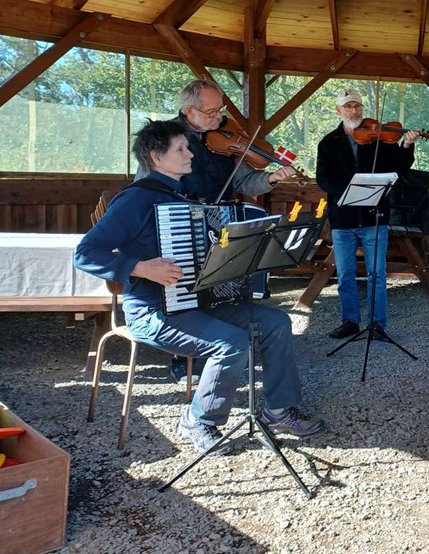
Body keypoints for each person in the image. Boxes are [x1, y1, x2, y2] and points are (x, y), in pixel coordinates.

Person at [75, 120, 324, 455]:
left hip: (198, 303)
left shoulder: (187, 199)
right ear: (155, 157)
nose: (190, 153)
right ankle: (198, 419)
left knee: (276, 322)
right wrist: (140, 267)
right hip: (153, 311)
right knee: (232, 343)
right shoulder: (135, 200)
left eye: (187, 146)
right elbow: (85, 253)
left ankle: (279, 410)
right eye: (181, 148)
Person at [160, 79, 297, 385]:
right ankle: (183, 355)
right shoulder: (165, 136)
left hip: (219, 218)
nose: (219, 118)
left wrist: (272, 177)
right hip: (181, 219)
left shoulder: (225, 138)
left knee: (221, 284)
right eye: (210, 112)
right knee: (186, 288)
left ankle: (222, 349)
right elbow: (152, 183)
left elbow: (246, 183)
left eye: (221, 109)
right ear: (188, 111)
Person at [315, 89, 420, 339]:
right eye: (348, 107)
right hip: (342, 218)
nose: (354, 111)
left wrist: (407, 145)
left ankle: (377, 324)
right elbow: (323, 179)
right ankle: (350, 321)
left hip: (374, 216)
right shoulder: (328, 142)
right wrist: (349, 190)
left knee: (377, 273)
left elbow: (399, 167)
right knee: (345, 274)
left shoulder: (378, 140)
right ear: (338, 110)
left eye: (358, 106)